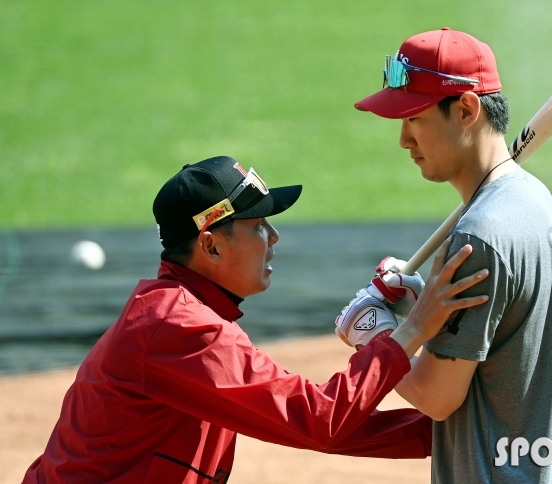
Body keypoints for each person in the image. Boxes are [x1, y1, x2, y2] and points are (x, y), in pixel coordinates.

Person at [22, 155, 490, 484]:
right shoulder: (178, 327)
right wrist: (406, 332)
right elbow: (317, 419)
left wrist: (456, 432)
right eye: (258, 226)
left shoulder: (185, 316)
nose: (275, 236)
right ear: (210, 244)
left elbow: (313, 422)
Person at [349, 28, 552, 482]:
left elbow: (436, 396)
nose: (404, 141)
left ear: (466, 109)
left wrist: (376, 332)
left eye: (414, 119)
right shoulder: (529, 197)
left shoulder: (479, 236)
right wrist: (421, 302)